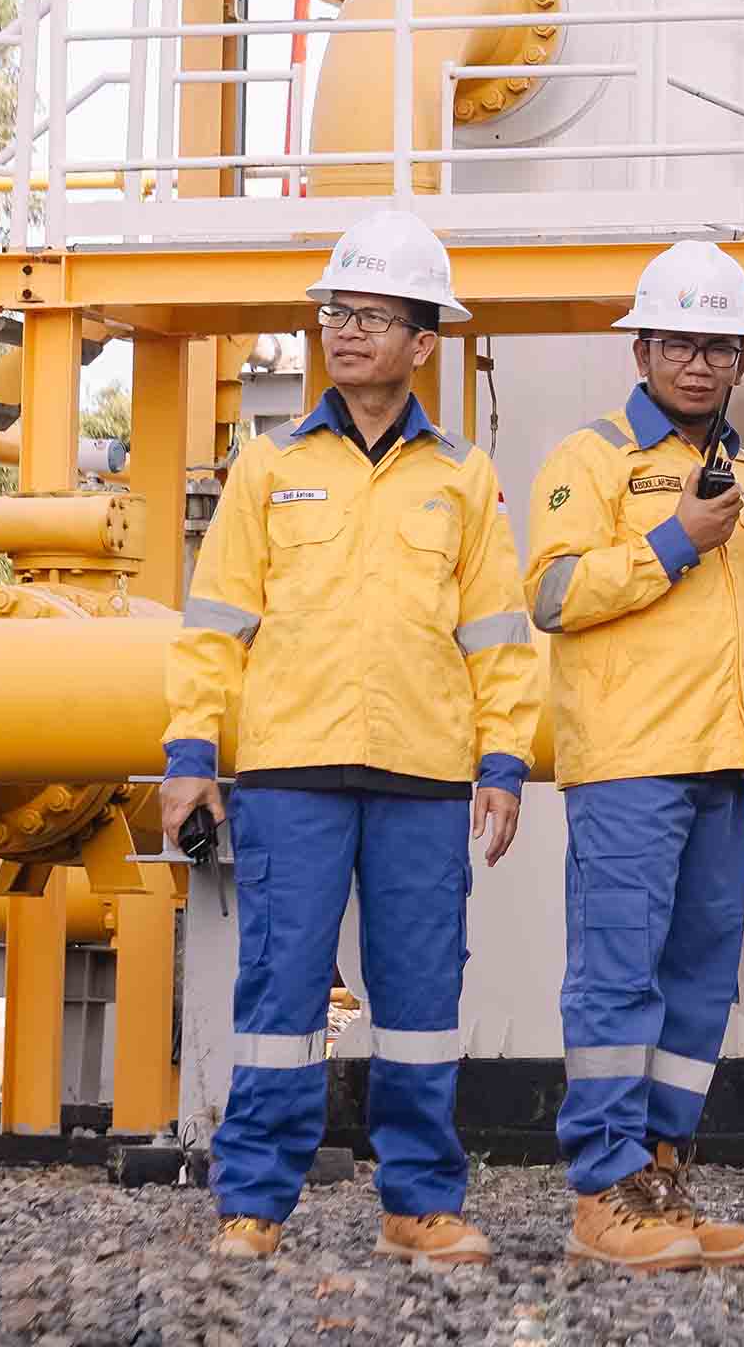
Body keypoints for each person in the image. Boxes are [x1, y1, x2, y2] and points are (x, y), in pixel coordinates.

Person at [158, 207, 543, 1269]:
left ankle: (419, 1201)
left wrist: (504, 761)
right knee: (278, 996)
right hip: (290, 771)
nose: (347, 330)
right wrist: (191, 756)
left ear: (423, 341)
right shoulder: (267, 465)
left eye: (372, 315)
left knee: (421, 1001)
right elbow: (215, 624)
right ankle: (254, 1201)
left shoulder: (462, 478)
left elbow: (500, 636)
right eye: (337, 311)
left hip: (423, 773)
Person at [525, 240, 744, 1273]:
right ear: (643, 351)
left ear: (742, 361)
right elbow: (553, 594)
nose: (698, 364)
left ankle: (660, 1171)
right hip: (628, 760)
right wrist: (673, 539)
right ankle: (603, 1185)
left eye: (717, 347)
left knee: (700, 982)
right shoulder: (591, 461)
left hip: (722, 761)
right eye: (678, 344)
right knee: (616, 979)